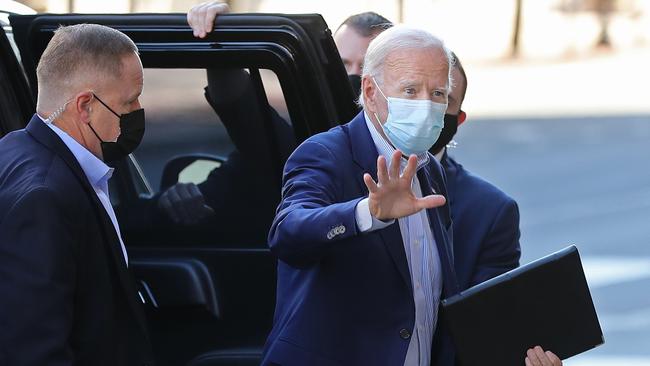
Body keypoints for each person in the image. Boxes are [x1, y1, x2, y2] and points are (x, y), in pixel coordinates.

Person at [261, 25, 561, 366]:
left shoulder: (430, 169)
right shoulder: (326, 153)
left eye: (438, 94)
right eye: (410, 90)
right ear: (371, 91)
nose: (426, 105)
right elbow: (288, 232)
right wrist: (367, 213)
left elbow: (433, 304)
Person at [155, 3, 393, 227]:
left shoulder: (413, 155)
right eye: (343, 65)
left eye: (365, 68)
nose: (353, 78)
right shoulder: (301, 145)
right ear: (325, 69)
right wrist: (218, 31)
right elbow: (240, 108)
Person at [0, 24, 153, 365]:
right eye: (129, 100)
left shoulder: (14, 150)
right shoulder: (44, 200)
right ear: (84, 107)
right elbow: (35, 350)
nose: (138, 110)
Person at [431, 53, 522, 290]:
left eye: (443, 97)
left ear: (459, 119)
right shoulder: (336, 170)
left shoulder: (490, 211)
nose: (427, 106)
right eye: (411, 91)